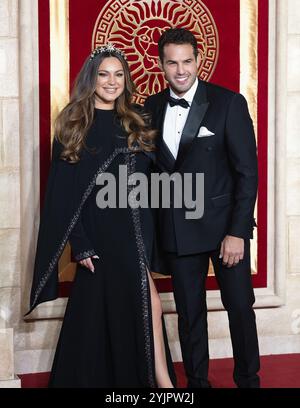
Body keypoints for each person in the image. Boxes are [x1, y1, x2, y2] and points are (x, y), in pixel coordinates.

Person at [26, 44, 176, 388]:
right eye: (104, 74)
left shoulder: (136, 118)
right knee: (104, 309)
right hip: (99, 231)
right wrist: (79, 243)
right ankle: (161, 383)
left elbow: (157, 175)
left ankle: (156, 380)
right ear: (91, 79)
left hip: (136, 230)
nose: (112, 82)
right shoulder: (74, 123)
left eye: (119, 74)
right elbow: (63, 194)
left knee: (139, 300)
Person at [144, 28, 260, 388]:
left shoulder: (228, 103)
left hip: (226, 230)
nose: (181, 70)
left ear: (199, 60)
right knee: (190, 316)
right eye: (172, 63)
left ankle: (248, 381)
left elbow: (247, 173)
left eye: (187, 61)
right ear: (161, 65)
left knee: (240, 308)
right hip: (178, 229)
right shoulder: (149, 108)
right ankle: (197, 385)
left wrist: (238, 232)